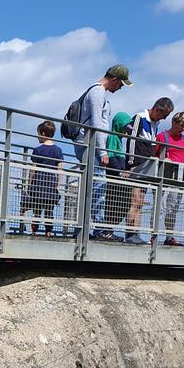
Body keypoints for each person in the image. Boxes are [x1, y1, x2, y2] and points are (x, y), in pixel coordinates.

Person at [69, 64, 130, 238]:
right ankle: (99, 229)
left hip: (89, 143)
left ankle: (83, 229)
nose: (120, 88)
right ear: (114, 80)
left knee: (92, 186)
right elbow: (96, 123)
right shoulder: (97, 92)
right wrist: (103, 152)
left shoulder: (96, 91)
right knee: (98, 185)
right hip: (91, 145)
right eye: (120, 85)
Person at [122, 97, 174, 245]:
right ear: (157, 110)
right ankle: (130, 235)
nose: (164, 118)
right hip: (137, 165)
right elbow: (131, 140)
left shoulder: (155, 123)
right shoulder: (139, 118)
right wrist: (131, 164)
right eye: (164, 115)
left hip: (147, 167)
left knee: (141, 202)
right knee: (136, 201)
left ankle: (135, 235)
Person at [22, 122, 64, 236]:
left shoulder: (38, 150)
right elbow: (60, 169)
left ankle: (34, 231)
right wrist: (58, 185)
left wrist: (29, 183)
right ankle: (49, 231)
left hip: (38, 185)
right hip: (51, 185)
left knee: (37, 210)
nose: (38, 136)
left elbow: (33, 169)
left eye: (39, 134)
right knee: (49, 210)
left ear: (43, 133)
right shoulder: (58, 150)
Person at [156, 111, 184, 246]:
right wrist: (163, 159)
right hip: (164, 178)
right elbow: (154, 155)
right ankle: (154, 236)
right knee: (160, 207)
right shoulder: (161, 136)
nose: (182, 129)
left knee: (173, 208)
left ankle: (169, 237)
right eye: (180, 125)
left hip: (178, 178)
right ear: (174, 123)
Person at [98, 112, 133, 242]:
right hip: (114, 179)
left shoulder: (118, 140)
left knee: (120, 204)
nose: (127, 131)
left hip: (118, 176)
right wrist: (119, 173)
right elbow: (112, 158)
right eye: (125, 127)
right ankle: (107, 231)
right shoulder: (113, 138)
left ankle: (109, 230)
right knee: (114, 205)